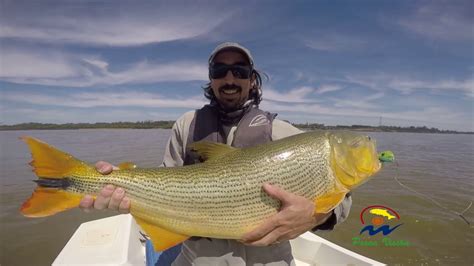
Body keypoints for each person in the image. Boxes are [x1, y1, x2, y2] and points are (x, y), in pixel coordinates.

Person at [79, 42, 352, 265]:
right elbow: (161, 184)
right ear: (211, 79)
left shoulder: (282, 132)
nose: (230, 78)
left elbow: (343, 200)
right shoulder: (187, 125)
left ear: (252, 81)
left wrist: (316, 216)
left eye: (240, 71)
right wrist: (119, 184)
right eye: (220, 70)